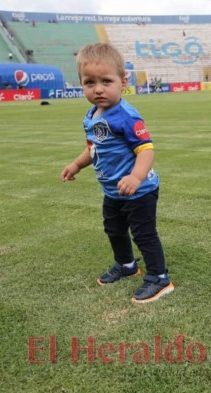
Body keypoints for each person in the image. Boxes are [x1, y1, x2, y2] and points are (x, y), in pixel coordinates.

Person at [60, 43, 174, 303]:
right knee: (114, 229)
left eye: (106, 81)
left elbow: (146, 150)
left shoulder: (126, 116)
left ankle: (159, 278)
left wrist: (136, 177)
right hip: (112, 191)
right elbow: (93, 149)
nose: (98, 88)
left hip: (139, 190)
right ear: (81, 83)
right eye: (90, 82)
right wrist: (76, 164)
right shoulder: (91, 116)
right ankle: (126, 265)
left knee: (144, 233)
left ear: (123, 82)